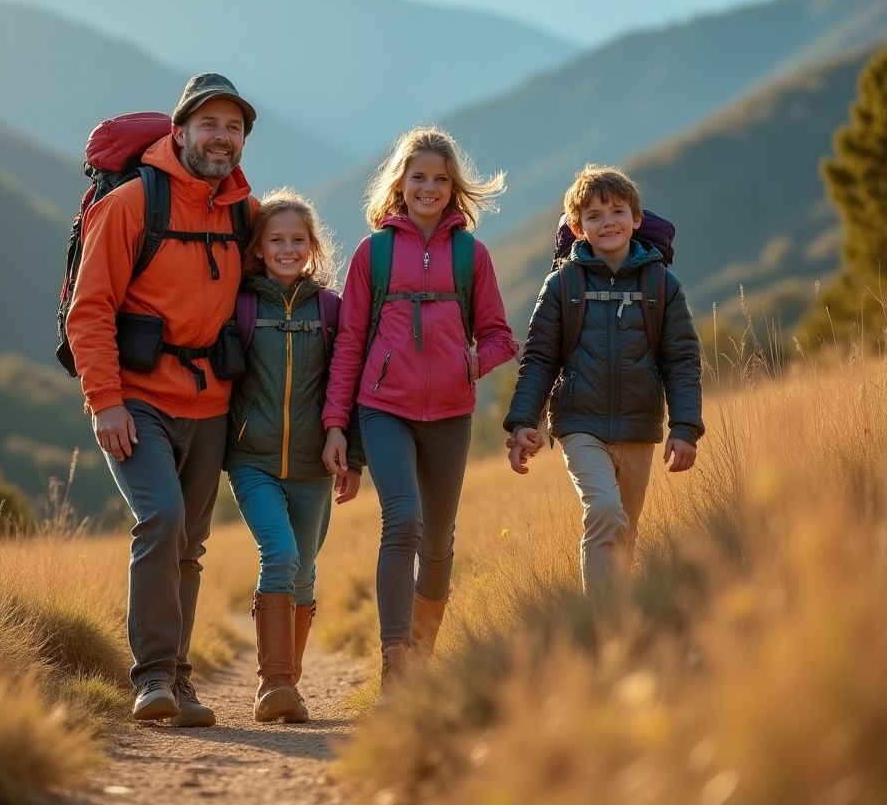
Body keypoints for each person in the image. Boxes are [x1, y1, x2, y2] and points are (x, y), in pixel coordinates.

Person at [67, 73, 258, 725]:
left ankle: (178, 680)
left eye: (233, 127)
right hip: (138, 399)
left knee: (189, 545)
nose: (221, 137)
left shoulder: (243, 212)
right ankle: (151, 678)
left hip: (211, 404)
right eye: (209, 124)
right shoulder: (130, 205)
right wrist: (105, 401)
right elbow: (90, 310)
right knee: (161, 519)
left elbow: (280, 287)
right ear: (179, 131)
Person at [321, 126, 518, 694]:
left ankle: (420, 665)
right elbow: (349, 344)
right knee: (403, 519)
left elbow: (500, 335)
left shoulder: (471, 255)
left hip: (452, 413)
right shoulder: (374, 252)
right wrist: (335, 425)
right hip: (384, 409)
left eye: (439, 179)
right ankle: (395, 665)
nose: (428, 188)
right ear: (399, 183)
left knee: (438, 540)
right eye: (418, 177)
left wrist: (473, 363)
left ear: (454, 188)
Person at [504, 164, 704, 606]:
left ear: (636, 218)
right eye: (593, 215)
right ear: (577, 228)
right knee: (605, 512)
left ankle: (620, 618)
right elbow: (539, 359)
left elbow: (681, 360)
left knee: (625, 530)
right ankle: (598, 618)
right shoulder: (562, 285)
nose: (607, 222)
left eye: (617, 211)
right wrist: (522, 423)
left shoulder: (661, 284)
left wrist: (685, 427)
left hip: (639, 425)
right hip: (580, 423)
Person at [226, 189, 362, 723]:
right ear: (258, 248)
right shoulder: (240, 304)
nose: (287, 249)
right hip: (251, 460)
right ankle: (275, 683)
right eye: (276, 240)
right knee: (279, 554)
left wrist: (350, 452)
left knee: (304, 573)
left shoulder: (330, 309)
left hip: (313, 465)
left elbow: (347, 383)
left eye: (297, 240)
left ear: (312, 246)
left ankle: (290, 687)